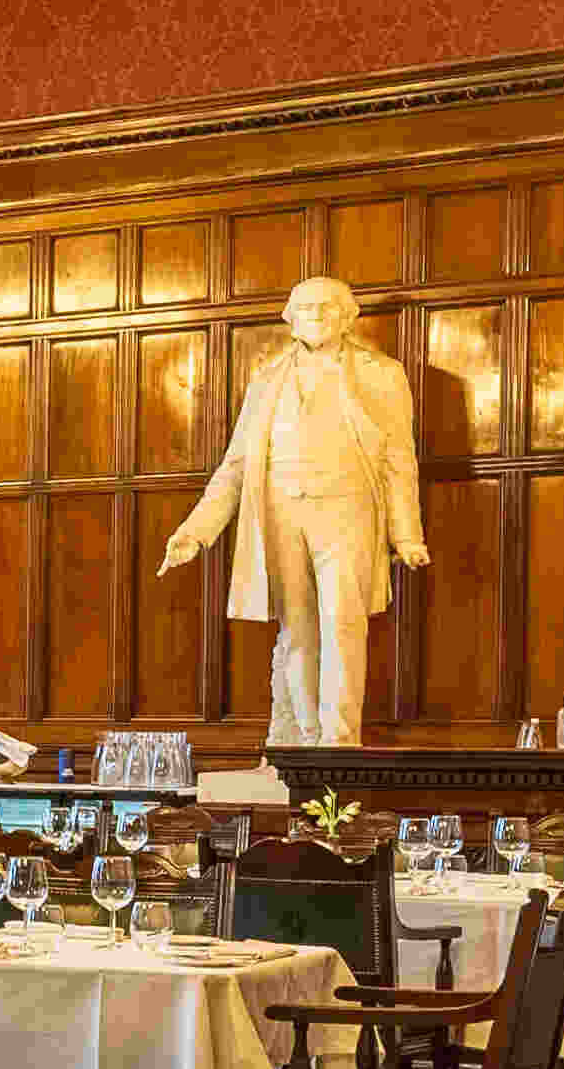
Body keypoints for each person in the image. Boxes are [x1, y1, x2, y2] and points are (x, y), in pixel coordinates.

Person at [156, 275, 428, 746]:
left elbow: (399, 460)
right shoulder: (266, 380)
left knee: (343, 624)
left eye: (327, 306)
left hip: (347, 510)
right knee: (297, 631)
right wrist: (195, 532)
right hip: (281, 511)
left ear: (348, 316)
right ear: (290, 318)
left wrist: (406, 535)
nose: (316, 314)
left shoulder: (383, 374)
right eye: (305, 307)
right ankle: (304, 744)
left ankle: (339, 743)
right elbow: (236, 465)